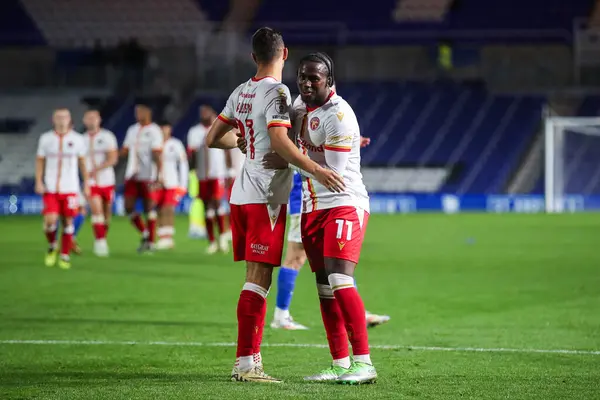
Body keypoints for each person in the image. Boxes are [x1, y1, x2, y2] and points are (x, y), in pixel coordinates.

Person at [205, 27, 344, 383]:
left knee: (255, 279)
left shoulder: (241, 91)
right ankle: (247, 365)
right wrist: (317, 168)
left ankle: (248, 360)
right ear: (285, 54)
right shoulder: (278, 91)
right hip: (265, 197)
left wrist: (245, 145)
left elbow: (212, 138)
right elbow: (281, 141)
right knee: (258, 280)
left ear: (253, 57)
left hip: (241, 195)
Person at [263, 53, 377, 383]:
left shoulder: (338, 115)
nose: (308, 83)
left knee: (341, 279)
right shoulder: (301, 104)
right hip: (313, 208)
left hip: (344, 203)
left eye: (316, 78)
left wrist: (284, 158)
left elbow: (333, 173)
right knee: (325, 288)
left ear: (330, 80)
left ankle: (364, 363)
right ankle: (340, 363)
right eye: (303, 77)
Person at [35, 108, 89, 269]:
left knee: (68, 222)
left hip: (70, 187)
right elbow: (39, 161)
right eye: (58, 117)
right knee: (50, 220)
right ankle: (53, 246)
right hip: (51, 187)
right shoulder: (45, 139)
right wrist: (39, 181)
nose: (61, 120)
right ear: (53, 120)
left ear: (69, 119)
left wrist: (86, 183)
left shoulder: (78, 140)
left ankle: (64, 255)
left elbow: (82, 163)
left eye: (64, 117)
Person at [121, 103, 163, 252]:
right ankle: (146, 233)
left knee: (149, 207)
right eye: (136, 111)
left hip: (149, 174)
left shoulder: (155, 131)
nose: (137, 114)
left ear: (148, 112)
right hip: (132, 173)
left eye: (140, 111)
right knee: (128, 207)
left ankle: (151, 242)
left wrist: (159, 175)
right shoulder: (132, 130)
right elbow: (125, 149)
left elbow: (157, 153)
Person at [187, 105, 229, 254]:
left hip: (217, 173)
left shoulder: (220, 128)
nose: (204, 114)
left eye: (206, 112)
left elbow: (227, 150)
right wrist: (193, 170)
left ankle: (223, 237)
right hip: (202, 174)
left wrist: (229, 170)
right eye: (202, 112)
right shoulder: (194, 132)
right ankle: (211, 241)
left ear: (213, 113)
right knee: (206, 207)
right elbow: (191, 154)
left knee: (218, 204)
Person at [82, 109, 118, 256]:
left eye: (94, 118)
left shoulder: (107, 136)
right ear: (84, 121)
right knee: (96, 211)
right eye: (88, 118)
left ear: (99, 120)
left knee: (106, 214)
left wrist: (98, 168)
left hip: (107, 180)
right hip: (90, 182)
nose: (91, 120)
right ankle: (100, 242)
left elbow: (113, 159)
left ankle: (102, 237)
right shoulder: (80, 139)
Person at [154, 122, 188, 249]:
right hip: (157, 182)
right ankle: (162, 236)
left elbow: (183, 165)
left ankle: (168, 237)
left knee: (168, 208)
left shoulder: (176, 144)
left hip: (172, 181)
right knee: (158, 208)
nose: (163, 130)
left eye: (165, 127)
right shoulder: (155, 144)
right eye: (161, 127)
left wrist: (183, 185)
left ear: (170, 129)